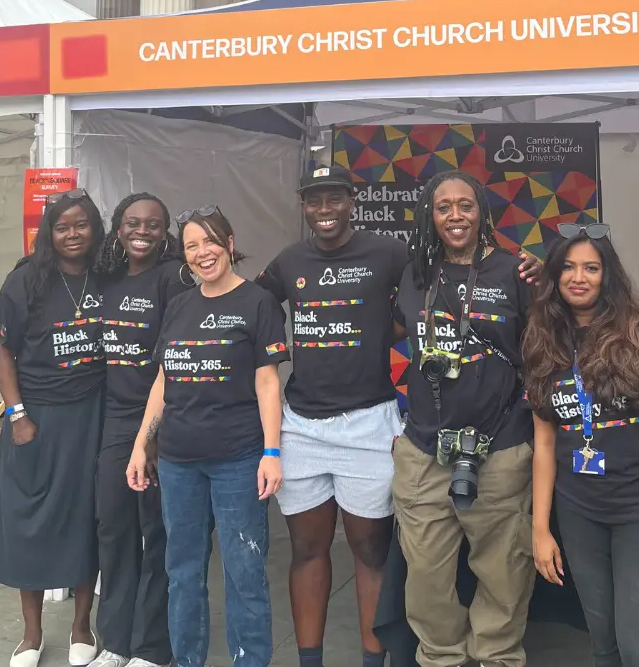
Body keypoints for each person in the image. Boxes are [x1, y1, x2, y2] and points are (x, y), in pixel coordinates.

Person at [256, 165, 408, 667]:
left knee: (370, 549)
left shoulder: (387, 252)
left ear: (351, 201)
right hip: (301, 425)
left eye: (334, 199)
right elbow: (253, 304)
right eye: (314, 201)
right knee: (306, 547)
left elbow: (431, 290)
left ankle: (373, 661)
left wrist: (385, 334)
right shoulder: (290, 260)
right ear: (304, 206)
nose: (324, 210)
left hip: (369, 421)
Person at [127, 206, 289, 667]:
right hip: (178, 462)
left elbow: (267, 383)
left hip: (238, 459)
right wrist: (142, 445)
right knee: (182, 573)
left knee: (245, 573)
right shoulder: (179, 305)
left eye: (211, 242)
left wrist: (271, 453)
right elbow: (163, 382)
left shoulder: (258, 303)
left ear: (230, 244)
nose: (203, 253)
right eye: (192, 245)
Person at [524, 223, 639, 667]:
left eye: (592, 268)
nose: (580, 277)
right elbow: (544, 442)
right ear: (555, 276)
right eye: (569, 268)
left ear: (608, 274)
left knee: (638, 649)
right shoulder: (542, 340)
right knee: (603, 645)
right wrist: (541, 530)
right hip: (579, 512)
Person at [391, 170, 536, 667]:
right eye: (443, 206)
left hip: (499, 446)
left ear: (483, 213)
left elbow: (543, 350)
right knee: (426, 572)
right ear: (429, 217)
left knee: (503, 569)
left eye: (466, 205)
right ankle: (440, 656)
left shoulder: (516, 272)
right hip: (424, 449)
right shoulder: (411, 274)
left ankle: (497, 656)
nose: (456, 215)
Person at [0, 188, 107, 667]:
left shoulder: (108, 277)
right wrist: (17, 415)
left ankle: (82, 625)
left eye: (81, 225)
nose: (72, 234)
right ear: (48, 234)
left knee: (85, 517)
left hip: (93, 413)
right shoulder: (25, 280)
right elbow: (2, 350)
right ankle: (32, 634)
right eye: (62, 226)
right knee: (28, 521)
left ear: (94, 229)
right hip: (34, 417)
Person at [91, 193, 191, 667]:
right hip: (114, 422)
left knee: (158, 536)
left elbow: (176, 360)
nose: (143, 232)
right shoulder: (106, 278)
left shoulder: (173, 278)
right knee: (114, 532)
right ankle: (114, 642)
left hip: (160, 423)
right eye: (133, 223)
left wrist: (150, 438)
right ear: (118, 227)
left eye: (154, 224)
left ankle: (153, 648)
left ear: (165, 231)